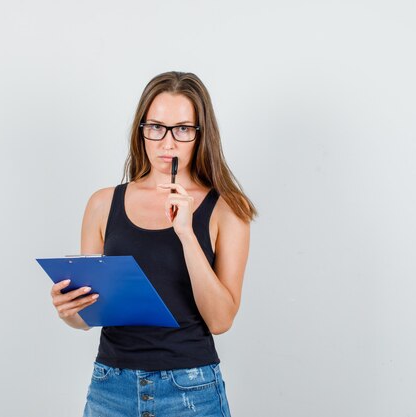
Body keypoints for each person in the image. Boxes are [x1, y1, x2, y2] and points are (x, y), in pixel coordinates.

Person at [49, 71, 257, 417]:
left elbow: (220, 320)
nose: (168, 143)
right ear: (141, 130)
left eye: (183, 129)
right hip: (110, 388)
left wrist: (187, 234)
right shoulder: (102, 204)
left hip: (191, 390)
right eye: (156, 127)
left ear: (200, 134)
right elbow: (88, 316)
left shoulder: (227, 209)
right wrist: (69, 310)